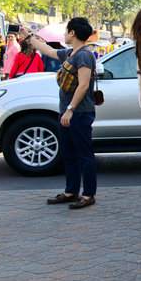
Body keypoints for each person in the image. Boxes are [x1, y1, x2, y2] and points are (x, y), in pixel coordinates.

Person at [23, 17, 99, 209]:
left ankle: (89, 195)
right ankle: (71, 191)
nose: (64, 34)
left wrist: (70, 110)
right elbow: (48, 50)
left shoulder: (84, 56)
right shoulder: (70, 53)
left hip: (79, 113)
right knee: (69, 154)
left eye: (66, 31)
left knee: (84, 155)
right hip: (68, 113)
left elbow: (83, 86)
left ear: (73, 33)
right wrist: (29, 37)